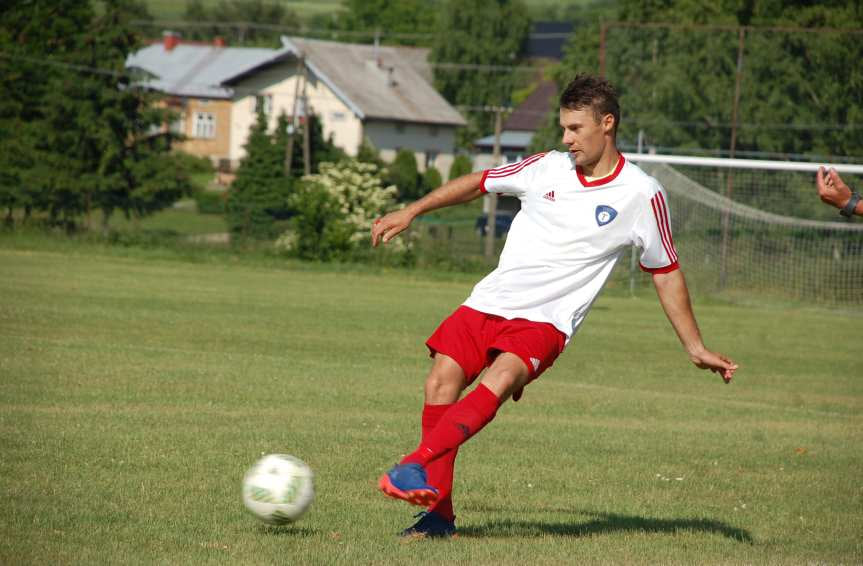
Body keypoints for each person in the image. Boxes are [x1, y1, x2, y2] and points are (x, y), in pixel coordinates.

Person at [370, 74, 739, 539]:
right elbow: (480, 182)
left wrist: (695, 345)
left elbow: (665, 270)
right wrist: (413, 210)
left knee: (499, 379)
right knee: (440, 381)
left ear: (607, 124)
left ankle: (412, 465)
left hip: (546, 321)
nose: (566, 139)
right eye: (563, 128)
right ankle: (438, 516)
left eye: (576, 129)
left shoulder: (642, 194)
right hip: (490, 301)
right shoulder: (547, 166)